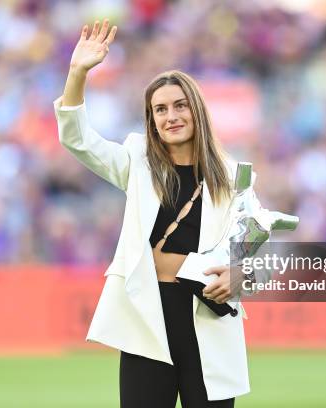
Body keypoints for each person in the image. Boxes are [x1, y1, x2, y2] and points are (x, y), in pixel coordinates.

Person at [54, 19, 265, 408]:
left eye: (180, 106)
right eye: (160, 110)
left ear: (197, 111)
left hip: (209, 320)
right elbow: (76, 139)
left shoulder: (236, 176)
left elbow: (253, 245)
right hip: (146, 319)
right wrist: (77, 72)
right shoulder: (137, 161)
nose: (171, 116)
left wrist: (239, 273)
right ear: (151, 121)